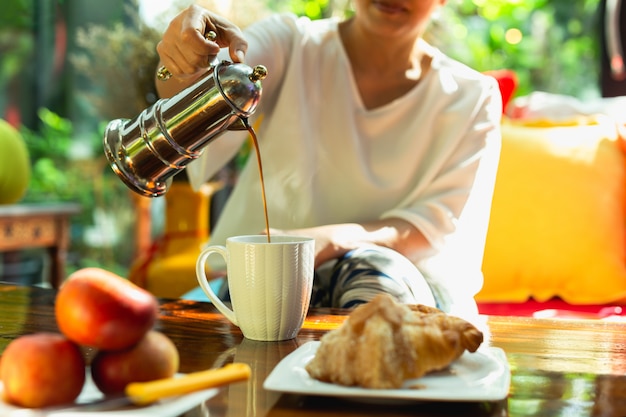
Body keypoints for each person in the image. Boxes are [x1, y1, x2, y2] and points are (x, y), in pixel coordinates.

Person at [154, 1, 502, 321]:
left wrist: (325, 241)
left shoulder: (471, 97)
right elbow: (199, 88)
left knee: (376, 285)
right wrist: (181, 58)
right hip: (264, 280)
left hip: (395, 282)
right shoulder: (291, 44)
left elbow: (432, 226)